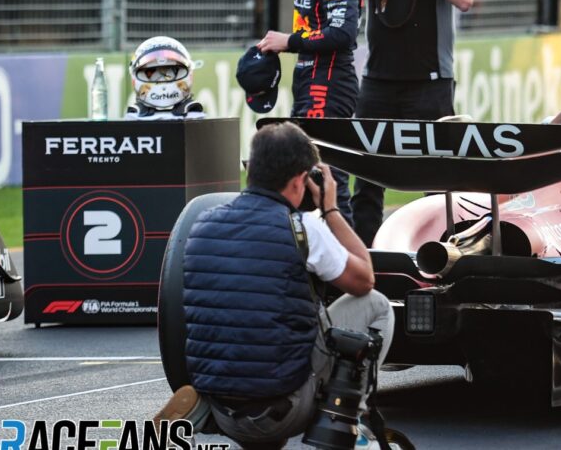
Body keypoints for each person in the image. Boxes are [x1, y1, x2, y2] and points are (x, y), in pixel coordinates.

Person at [154, 121, 395, 443]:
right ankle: (347, 419)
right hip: (283, 410)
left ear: (250, 169)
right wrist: (331, 209)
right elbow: (364, 280)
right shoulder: (302, 228)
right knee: (376, 305)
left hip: (221, 404)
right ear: (301, 180)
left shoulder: (202, 224)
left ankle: (210, 409)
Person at [348, 0, 473, 247]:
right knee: (365, 177)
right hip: (378, 80)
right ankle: (366, 260)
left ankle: (433, 256)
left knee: (434, 178)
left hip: (429, 80)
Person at [253, 0, 365, 220]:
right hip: (311, 83)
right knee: (303, 177)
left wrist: (288, 41)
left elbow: (342, 33)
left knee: (326, 181)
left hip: (329, 86)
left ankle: (349, 264)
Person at [126, 36, 205, 119]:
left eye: (172, 70)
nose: (162, 79)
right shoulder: (132, 117)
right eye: (152, 72)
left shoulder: (195, 117)